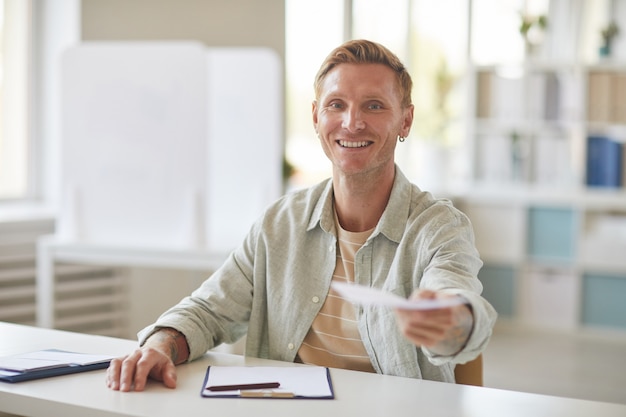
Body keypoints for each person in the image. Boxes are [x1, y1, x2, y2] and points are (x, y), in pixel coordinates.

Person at [106, 39, 497, 392]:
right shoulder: (279, 223)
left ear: (405, 121)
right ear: (315, 117)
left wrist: (451, 321)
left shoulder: (439, 227)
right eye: (336, 105)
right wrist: (160, 344)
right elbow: (209, 309)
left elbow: (457, 296)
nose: (352, 122)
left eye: (373, 106)